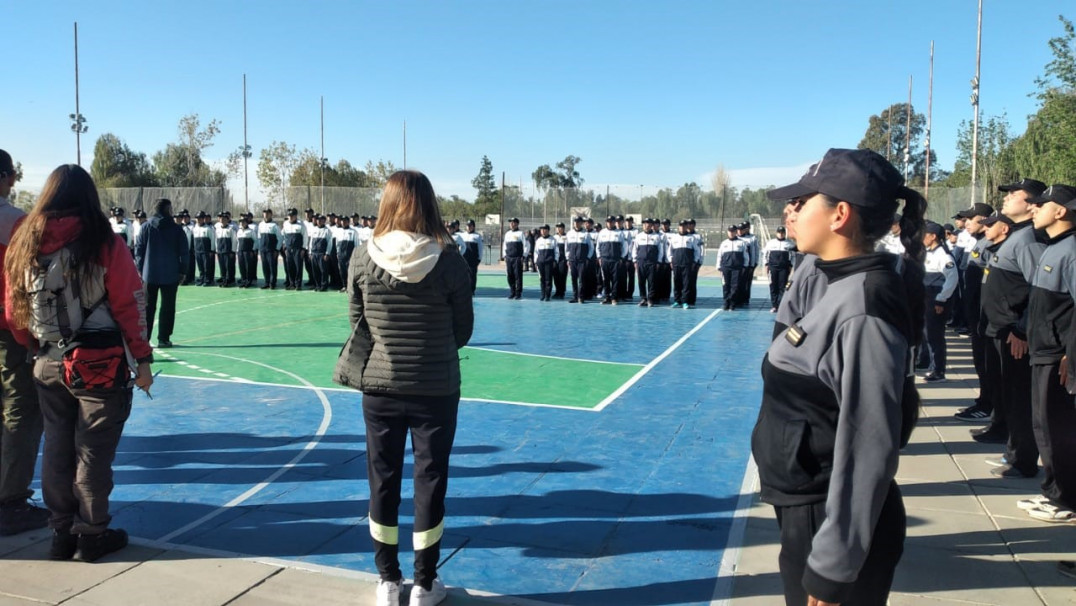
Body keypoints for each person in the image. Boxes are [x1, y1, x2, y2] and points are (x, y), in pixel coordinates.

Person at [751, 148, 925, 606]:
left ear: (839, 215)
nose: (791, 212)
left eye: (803, 203)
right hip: (808, 505)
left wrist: (832, 570)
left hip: (827, 515)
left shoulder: (863, 308)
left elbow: (869, 445)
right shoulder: (837, 282)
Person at [332, 170, 472, 606]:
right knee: (430, 482)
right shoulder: (450, 261)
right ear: (429, 204)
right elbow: (462, 331)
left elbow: (358, 323)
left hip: (379, 388)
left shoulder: (361, 258)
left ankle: (387, 581)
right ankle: (425, 583)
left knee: (382, 480)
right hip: (436, 388)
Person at [4, 164, 154, 563]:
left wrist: (34, 346)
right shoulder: (103, 241)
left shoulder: (25, 241)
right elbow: (128, 304)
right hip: (98, 364)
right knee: (93, 452)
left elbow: (14, 309)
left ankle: (60, 532)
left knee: (56, 448)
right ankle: (91, 533)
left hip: (47, 361)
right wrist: (142, 358)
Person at [980, 178, 1049, 478]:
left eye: (1013, 195)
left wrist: (1021, 329)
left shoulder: (1029, 239)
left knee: (1020, 397)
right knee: (1009, 392)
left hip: (1014, 333)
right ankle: (1013, 451)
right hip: (1002, 329)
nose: (1006, 200)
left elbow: (1039, 289)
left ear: (1031, 203)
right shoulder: (1017, 236)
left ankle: (1023, 460)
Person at [0, 150, 49, 535]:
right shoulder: (15, 223)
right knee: (21, 408)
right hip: (8, 333)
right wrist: (30, 336)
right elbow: (21, 287)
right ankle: (10, 499)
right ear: (7, 177)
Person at [1023, 184, 1076, 522]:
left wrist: (1070, 356)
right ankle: (1055, 490)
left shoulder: (1072, 249)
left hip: (1058, 356)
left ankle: (1066, 498)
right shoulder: (1053, 247)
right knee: (1044, 427)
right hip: (1043, 350)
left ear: (1060, 211)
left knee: (1058, 429)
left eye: (1041, 204)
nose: (1034, 209)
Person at [953, 203, 997, 422]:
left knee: (988, 364)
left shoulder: (990, 244)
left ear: (985, 218)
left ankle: (989, 405)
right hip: (975, 316)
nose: (966, 223)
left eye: (971, 218)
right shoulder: (979, 243)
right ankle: (984, 401)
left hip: (985, 315)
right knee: (980, 362)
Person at [134, 198, 189, 348]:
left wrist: (141, 269)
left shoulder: (145, 227)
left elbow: (139, 250)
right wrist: (183, 271)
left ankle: (145, 340)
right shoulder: (177, 229)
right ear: (168, 209)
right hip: (171, 274)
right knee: (168, 306)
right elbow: (184, 252)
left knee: (147, 308)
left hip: (149, 275)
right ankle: (164, 338)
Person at [919, 222, 958, 382]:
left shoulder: (944, 255)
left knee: (935, 335)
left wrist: (941, 300)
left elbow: (952, 279)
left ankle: (938, 370)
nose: (921, 238)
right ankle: (927, 363)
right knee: (927, 333)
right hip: (928, 297)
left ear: (933, 236)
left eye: (924, 234)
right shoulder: (929, 252)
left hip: (936, 299)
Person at [667, 220, 702, 309]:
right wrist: (671, 261)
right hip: (676, 264)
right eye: (681, 226)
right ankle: (676, 301)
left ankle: (685, 301)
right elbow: (669, 251)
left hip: (687, 264)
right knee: (677, 282)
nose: (682, 228)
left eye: (684, 226)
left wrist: (695, 261)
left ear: (687, 227)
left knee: (686, 283)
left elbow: (697, 251)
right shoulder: (674, 238)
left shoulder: (692, 238)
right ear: (678, 227)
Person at [763, 226, 796, 312]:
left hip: (784, 268)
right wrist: (766, 265)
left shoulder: (790, 244)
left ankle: (781, 305)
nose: (781, 234)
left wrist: (791, 266)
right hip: (772, 267)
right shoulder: (770, 243)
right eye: (779, 232)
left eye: (782, 232)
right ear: (776, 233)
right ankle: (774, 305)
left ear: (785, 233)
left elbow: (793, 256)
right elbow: (765, 254)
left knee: (783, 287)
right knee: (773, 286)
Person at [632, 218, 663, 307]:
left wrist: (658, 262)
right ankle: (643, 298)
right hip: (641, 262)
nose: (647, 226)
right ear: (643, 225)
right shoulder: (639, 236)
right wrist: (635, 260)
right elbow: (635, 249)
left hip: (652, 262)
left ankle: (650, 299)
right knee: (641, 281)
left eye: (649, 224)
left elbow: (660, 251)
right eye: (645, 224)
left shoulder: (657, 236)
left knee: (651, 281)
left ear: (651, 226)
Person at [597, 216, 627, 305]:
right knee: (605, 279)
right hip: (605, 259)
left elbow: (625, 247)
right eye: (608, 221)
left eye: (611, 221)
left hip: (615, 260)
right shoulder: (602, 232)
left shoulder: (620, 233)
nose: (610, 223)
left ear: (614, 222)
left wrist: (621, 258)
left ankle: (614, 297)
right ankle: (607, 297)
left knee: (615, 279)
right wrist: (599, 257)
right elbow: (598, 246)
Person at [717, 225, 747, 311]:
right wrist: (718, 266)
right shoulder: (724, 243)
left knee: (735, 286)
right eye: (730, 231)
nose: (731, 233)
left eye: (733, 231)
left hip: (737, 268)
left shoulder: (741, 243)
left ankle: (732, 303)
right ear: (727, 232)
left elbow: (746, 256)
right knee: (726, 285)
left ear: (736, 232)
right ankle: (726, 303)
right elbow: (719, 255)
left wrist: (745, 265)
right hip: (726, 267)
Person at [565, 216, 593, 304]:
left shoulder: (586, 234)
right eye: (575, 221)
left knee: (581, 279)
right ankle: (575, 296)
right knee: (573, 279)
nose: (576, 223)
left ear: (581, 223)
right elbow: (567, 248)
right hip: (572, 260)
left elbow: (591, 248)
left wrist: (587, 257)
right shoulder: (569, 233)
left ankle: (581, 297)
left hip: (582, 261)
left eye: (578, 222)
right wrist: (568, 258)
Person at [282, 208, 308, 291]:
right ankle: (291, 283)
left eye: (292, 216)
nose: (290, 217)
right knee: (290, 267)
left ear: (296, 216)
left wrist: (303, 249)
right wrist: (285, 247)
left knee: (298, 267)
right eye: (289, 215)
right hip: (289, 249)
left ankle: (298, 284)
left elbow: (305, 237)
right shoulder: (285, 224)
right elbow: (284, 236)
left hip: (298, 249)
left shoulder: (301, 225)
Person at [502, 218, 528, 300]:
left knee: (518, 276)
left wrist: (523, 256)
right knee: (510, 275)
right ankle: (512, 292)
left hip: (517, 258)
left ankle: (518, 293)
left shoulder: (521, 234)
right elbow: (504, 246)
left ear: (517, 224)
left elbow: (526, 245)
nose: (512, 224)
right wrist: (504, 256)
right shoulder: (507, 234)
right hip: (509, 258)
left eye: (513, 223)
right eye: (511, 223)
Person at [308, 215, 334, 292]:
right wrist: (310, 252)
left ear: (324, 221)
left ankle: (323, 285)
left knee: (323, 271)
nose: (319, 221)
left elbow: (330, 243)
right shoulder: (314, 229)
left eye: (321, 220)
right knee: (315, 271)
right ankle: (317, 285)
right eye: (318, 220)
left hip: (322, 254)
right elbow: (311, 242)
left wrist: (327, 253)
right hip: (314, 253)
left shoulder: (327, 231)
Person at [532, 225, 559, 301]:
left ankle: (547, 295)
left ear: (548, 230)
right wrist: (535, 261)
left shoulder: (553, 240)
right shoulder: (538, 240)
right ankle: (542, 294)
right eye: (541, 230)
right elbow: (536, 252)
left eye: (545, 230)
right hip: (540, 262)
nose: (543, 231)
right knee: (542, 279)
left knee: (548, 279)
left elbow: (556, 252)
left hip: (549, 263)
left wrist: (555, 260)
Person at [257, 209, 282, 289]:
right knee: (265, 267)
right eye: (264, 214)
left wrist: (277, 250)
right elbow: (259, 237)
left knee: (272, 267)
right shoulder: (260, 224)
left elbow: (280, 238)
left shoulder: (275, 225)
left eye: (267, 214)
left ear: (271, 215)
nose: (266, 215)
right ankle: (266, 282)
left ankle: (272, 283)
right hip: (263, 250)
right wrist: (259, 249)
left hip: (271, 250)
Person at [191, 211, 216, 287]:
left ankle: (207, 280)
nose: (198, 220)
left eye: (200, 218)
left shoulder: (208, 228)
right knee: (200, 266)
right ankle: (201, 279)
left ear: (203, 219)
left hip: (206, 250)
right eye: (197, 218)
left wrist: (212, 250)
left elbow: (212, 240)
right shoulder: (194, 228)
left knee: (206, 266)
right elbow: (193, 240)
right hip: (198, 250)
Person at [213, 211, 237, 287]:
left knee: (228, 266)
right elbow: (216, 240)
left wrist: (232, 251)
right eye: (221, 219)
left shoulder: (231, 229)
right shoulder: (217, 229)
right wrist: (217, 250)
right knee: (222, 266)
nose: (222, 220)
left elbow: (234, 241)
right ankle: (223, 279)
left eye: (224, 219)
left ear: (227, 220)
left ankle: (228, 280)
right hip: (220, 251)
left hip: (228, 251)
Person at [459, 220, 483, 293]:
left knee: (472, 275)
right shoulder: (462, 235)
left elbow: (480, 248)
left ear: (474, 226)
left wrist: (479, 259)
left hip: (473, 259)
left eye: (470, 226)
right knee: (463, 275)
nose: (469, 227)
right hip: (463, 259)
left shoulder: (477, 236)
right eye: (468, 225)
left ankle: (472, 290)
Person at [235, 215, 258, 288]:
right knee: (242, 266)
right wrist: (237, 250)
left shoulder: (251, 231)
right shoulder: (239, 231)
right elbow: (237, 241)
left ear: (247, 223)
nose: (241, 223)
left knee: (248, 266)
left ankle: (249, 281)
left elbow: (255, 241)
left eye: (243, 222)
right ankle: (243, 280)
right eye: (240, 222)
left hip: (248, 251)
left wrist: (253, 250)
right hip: (240, 251)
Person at [552, 222, 568, 299]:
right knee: (556, 276)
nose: (559, 229)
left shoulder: (567, 237)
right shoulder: (553, 237)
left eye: (560, 227)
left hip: (563, 260)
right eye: (557, 227)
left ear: (563, 228)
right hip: (555, 260)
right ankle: (557, 291)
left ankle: (562, 292)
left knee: (562, 276)